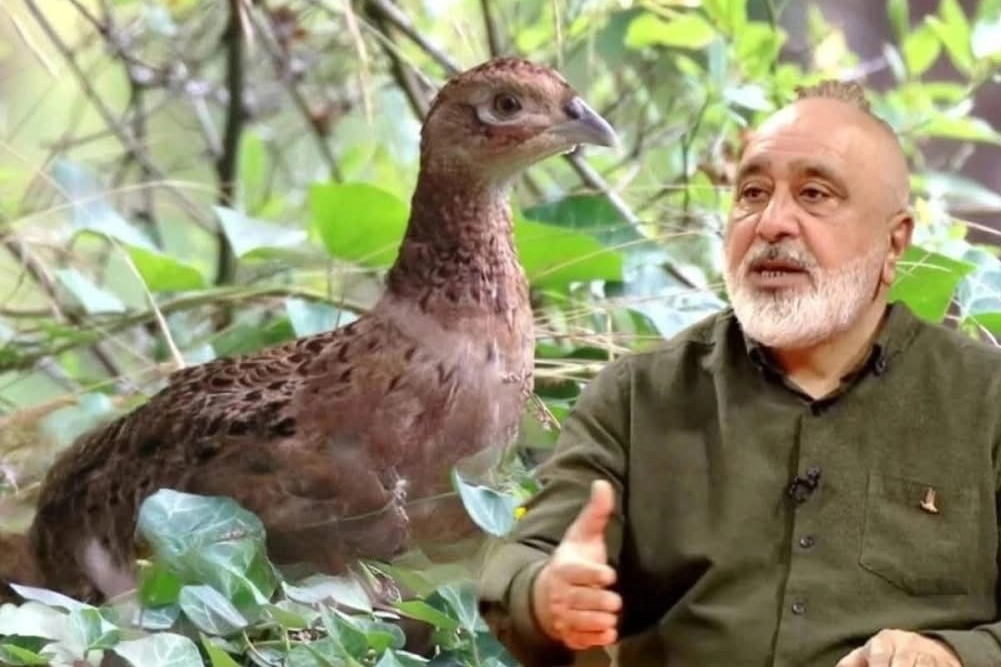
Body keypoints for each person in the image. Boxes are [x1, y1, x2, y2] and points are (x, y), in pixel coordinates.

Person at [477, 79, 1001, 667]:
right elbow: (524, 559)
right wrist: (547, 594)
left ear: (893, 241)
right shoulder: (636, 398)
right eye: (753, 193)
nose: (772, 223)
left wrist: (953, 656)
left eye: (815, 195)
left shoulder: (987, 402)